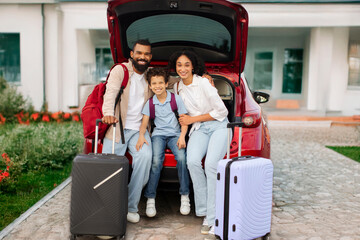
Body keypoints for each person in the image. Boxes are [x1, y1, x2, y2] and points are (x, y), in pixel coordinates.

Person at [168, 50, 230, 239]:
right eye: (179, 65)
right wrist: (183, 132)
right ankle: (203, 209)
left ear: (193, 66)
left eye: (187, 65)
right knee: (192, 161)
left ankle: (212, 218)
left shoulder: (204, 82)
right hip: (199, 129)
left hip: (219, 125)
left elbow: (221, 110)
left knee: (211, 165)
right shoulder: (177, 87)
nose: (183, 68)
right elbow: (183, 116)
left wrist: (192, 119)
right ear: (175, 67)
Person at [101, 39, 153, 224]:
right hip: (117, 127)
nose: (142, 57)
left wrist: (203, 77)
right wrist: (107, 113)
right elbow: (111, 92)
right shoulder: (120, 71)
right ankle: (108, 207)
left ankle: (131, 206)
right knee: (107, 168)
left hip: (140, 130)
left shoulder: (151, 75)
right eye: (139, 53)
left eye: (146, 54)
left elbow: (172, 82)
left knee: (146, 158)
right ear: (132, 54)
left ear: (150, 57)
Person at [135, 67, 191, 218]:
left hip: (175, 135)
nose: (157, 86)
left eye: (161, 82)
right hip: (158, 135)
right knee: (155, 162)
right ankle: (150, 199)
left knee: (181, 158)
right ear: (150, 85)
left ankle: (184, 196)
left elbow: (184, 120)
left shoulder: (175, 99)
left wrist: (182, 137)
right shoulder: (150, 103)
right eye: (154, 83)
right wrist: (141, 136)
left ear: (166, 84)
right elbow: (144, 122)